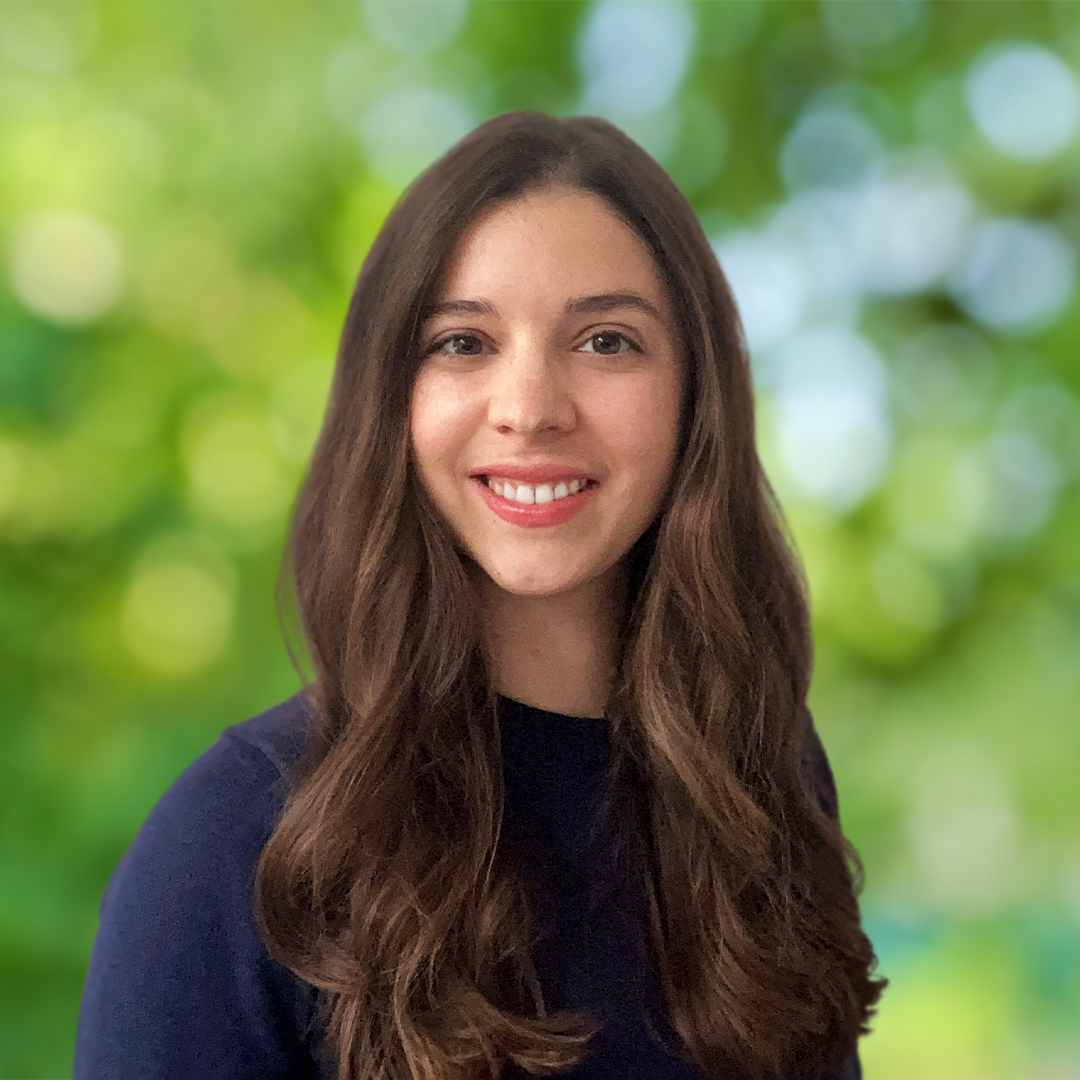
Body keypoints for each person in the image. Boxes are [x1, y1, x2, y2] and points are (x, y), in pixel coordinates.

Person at [75, 111, 885, 1080]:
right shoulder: (238, 842)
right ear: (393, 399)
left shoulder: (759, 777)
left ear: (694, 396)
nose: (531, 405)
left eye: (607, 341)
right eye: (463, 343)